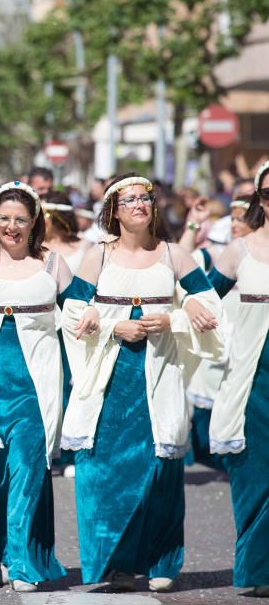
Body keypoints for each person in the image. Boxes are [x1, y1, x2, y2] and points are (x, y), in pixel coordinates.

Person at [61, 174, 223, 593]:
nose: (139, 204)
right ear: (114, 210)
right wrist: (115, 326)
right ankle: (113, 564)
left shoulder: (173, 255)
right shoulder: (98, 257)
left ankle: (160, 560)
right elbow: (73, 310)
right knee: (102, 471)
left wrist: (174, 316)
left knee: (160, 467)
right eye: (129, 199)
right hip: (110, 379)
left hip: (158, 373)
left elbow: (208, 302)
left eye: (145, 198)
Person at [0, 181, 72, 592]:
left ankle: (25, 562)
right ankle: (6, 552)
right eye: (5, 218)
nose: (12, 226)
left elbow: (84, 307)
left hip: (36, 385)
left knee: (28, 468)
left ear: (34, 223)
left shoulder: (53, 264)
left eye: (21, 219)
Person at [207, 160, 269, 596]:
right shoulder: (240, 250)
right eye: (268, 194)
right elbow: (202, 299)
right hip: (253, 380)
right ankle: (258, 568)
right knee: (253, 474)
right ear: (258, 200)